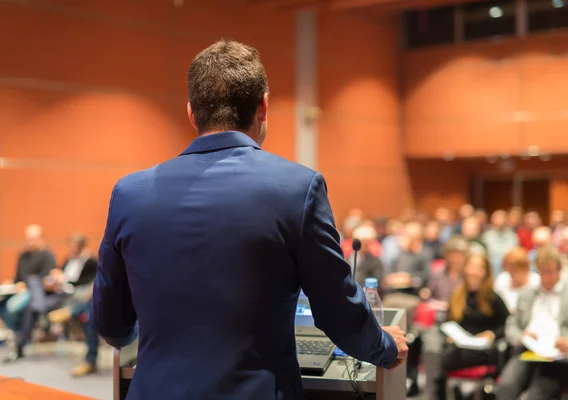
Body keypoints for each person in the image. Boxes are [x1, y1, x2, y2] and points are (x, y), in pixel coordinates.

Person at [90, 40, 408, 400]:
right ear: (264, 106)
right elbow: (338, 312)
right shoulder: (298, 188)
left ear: (193, 113)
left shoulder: (129, 193)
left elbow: (111, 324)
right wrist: (385, 345)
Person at [496, 247, 568, 400]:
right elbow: (511, 326)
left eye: (549, 272)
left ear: (559, 271)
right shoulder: (527, 294)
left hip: (559, 358)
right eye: (541, 272)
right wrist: (522, 336)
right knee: (505, 388)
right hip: (527, 352)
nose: (545, 277)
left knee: (535, 395)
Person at [435, 253, 510, 400]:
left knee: (445, 357)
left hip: (483, 349)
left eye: (479, 267)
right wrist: (450, 336)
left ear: (485, 272)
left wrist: (492, 334)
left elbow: (507, 324)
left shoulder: (493, 297)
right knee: (440, 352)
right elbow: (446, 322)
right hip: (459, 346)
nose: (474, 271)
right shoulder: (457, 295)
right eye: (471, 266)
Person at [2, 224, 57, 362]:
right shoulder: (23, 255)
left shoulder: (47, 256)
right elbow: (18, 277)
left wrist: (25, 285)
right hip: (20, 290)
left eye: (34, 238)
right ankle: (18, 333)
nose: (30, 242)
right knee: (2, 302)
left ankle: (19, 339)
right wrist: (12, 283)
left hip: (37, 293)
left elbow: (45, 281)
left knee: (18, 305)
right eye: (28, 239)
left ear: (41, 238)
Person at [48, 234, 99, 376]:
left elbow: (91, 285)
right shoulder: (68, 260)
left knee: (89, 312)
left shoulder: (92, 262)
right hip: (71, 295)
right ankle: (90, 361)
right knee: (89, 315)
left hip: (84, 297)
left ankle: (71, 311)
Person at [493, 247, 540, 313]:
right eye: (508, 267)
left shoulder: (536, 281)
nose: (510, 271)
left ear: (525, 268)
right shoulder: (502, 279)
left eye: (515, 268)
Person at [482, 210, 519, 276]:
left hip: (509, 270)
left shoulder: (513, 236)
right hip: (491, 270)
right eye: (497, 218)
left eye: (502, 218)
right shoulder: (486, 237)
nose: (500, 220)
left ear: (506, 220)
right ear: (492, 220)